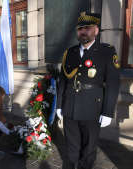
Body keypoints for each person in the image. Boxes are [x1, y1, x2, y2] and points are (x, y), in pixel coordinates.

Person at [56, 12, 120, 169]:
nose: (83, 32)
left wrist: (107, 111)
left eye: (88, 28)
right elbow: (63, 80)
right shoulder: (70, 52)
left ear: (96, 31)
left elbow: (113, 83)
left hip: (92, 107)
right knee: (71, 147)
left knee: (89, 149)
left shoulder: (107, 52)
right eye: (80, 29)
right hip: (70, 106)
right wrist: (59, 104)